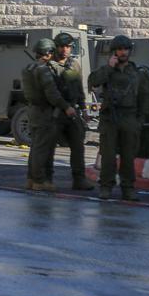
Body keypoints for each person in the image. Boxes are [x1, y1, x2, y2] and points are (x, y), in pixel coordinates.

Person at [88, 35, 149, 201]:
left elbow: (144, 97)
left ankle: (128, 188)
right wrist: (109, 67)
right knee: (108, 155)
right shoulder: (107, 70)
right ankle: (106, 187)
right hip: (110, 118)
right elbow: (92, 82)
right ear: (114, 51)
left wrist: (140, 120)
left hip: (129, 117)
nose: (123, 52)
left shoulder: (138, 74)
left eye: (125, 49)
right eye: (119, 49)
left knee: (128, 156)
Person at [36, 32, 95, 191]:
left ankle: (79, 179)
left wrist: (84, 109)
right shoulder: (48, 66)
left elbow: (78, 89)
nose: (65, 49)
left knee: (78, 145)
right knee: (49, 147)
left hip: (72, 111)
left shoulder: (74, 65)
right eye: (62, 46)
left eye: (68, 46)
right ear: (56, 47)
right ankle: (47, 179)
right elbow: (51, 92)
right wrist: (64, 107)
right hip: (55, 112)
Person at [22, 38, 56, 191]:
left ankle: (31, 179)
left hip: (33, 110)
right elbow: (51, 93)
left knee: (35, 147)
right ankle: (39, 181)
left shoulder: (28, 68)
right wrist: (65, 106)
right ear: (48, 53)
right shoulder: (43, 70)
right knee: (41, 149)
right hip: (44, 111)